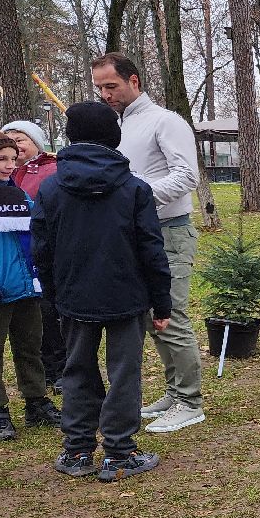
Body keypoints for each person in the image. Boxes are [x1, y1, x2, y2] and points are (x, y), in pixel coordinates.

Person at [34, 103, 172, 481]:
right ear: (114, 136)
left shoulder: (51, 187)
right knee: (124, 372)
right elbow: (152, 250)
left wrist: (53, 294)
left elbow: (41, 250)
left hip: (77, 297)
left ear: (71, 136)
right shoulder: (134, 189)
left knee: (77, 369)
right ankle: (118, 452)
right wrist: (163, 302)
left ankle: (78, 451)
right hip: (123, 298)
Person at [91, 52, 204, 434]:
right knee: (154, 318)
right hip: (135, 235)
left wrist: (135, 195)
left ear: (134, 81)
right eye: (100, 88)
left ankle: (191, 401)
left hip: (169, 231)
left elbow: (187, 176)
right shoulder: (118, 126)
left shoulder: (165, 121)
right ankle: (175, 392)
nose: (106, 94)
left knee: (170, 316)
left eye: (112, 86)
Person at [0, 128, 60, 440]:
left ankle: (36, 402)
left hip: (26, 287)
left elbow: (35, 231)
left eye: (13, 159)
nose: (9, 165)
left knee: (30, 346)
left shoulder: (16, 193)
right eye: (1, 159)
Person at [1, 120, 64, 387]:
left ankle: (60, 367)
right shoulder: (5, 173)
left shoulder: (51, 170)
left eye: (20, 139)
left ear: (36, 142)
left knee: (51, 312)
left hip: (45, 247)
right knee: (34, 316)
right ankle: (44, 368)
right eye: (9, 140)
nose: (16, 145)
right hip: (19, 253)